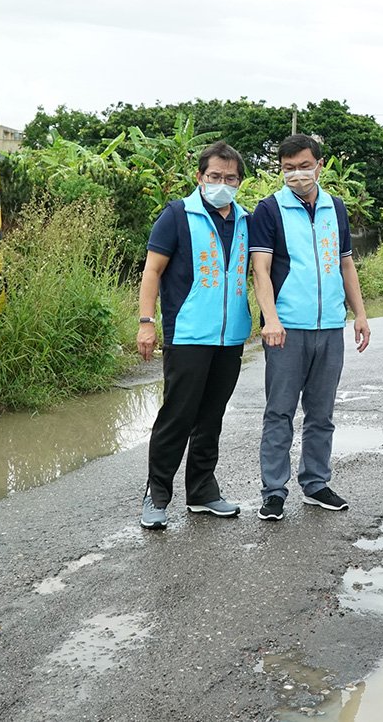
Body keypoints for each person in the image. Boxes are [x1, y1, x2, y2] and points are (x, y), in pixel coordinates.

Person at [249, 133, 371, 521]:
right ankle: (274, 491)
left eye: (304, 166)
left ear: (319, 166)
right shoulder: (269, 210)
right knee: (280, 412)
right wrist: (270, 318)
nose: (297, 175)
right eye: (288, 169)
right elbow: (261, 270)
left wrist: (360, 314)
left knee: (321, 413)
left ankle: (316, 484)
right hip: (287, 328)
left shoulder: (336, 208)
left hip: (330, 326)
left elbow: (346, 263)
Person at [137, 141, 252, 530]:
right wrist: (146, 321)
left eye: (230, 178)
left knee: (212, 417)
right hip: (188, 334)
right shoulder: (177, 215)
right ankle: (157, 494)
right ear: (200, 177)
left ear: (239, 182)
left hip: (231, 336)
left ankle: (202, 492)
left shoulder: (245, 220)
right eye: (215, 176)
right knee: (178, 415)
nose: (222, 183)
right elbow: (152, 271)